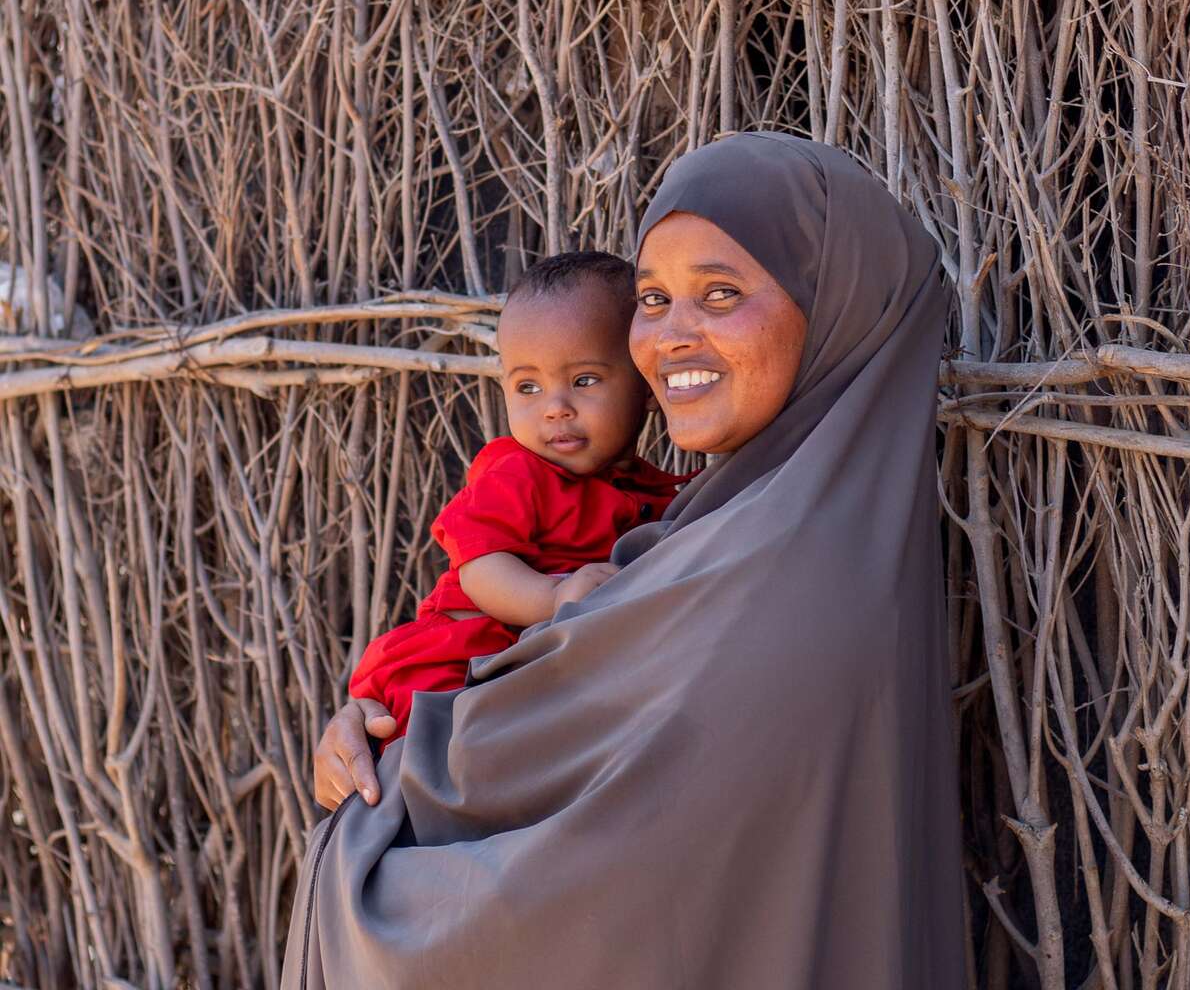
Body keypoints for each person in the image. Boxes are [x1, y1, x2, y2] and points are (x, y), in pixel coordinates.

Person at [286, 132, 965, 989]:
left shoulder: (784, 583)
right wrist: (380, 716)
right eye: (653, 298)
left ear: (838, 306)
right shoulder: (729, 528)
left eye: (720, 293)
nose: (671, 336)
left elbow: (592, 896)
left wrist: (374, 810)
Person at [345, 251, 689, 744]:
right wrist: (553, 597)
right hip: (454, 661)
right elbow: (481, 567)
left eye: (584, 381)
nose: (555, 408)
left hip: (526, 672)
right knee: (445, 752)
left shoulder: (651, 493)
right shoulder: (515, 471)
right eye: (528, 386)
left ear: (645, 384)